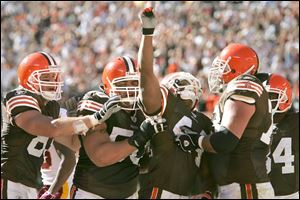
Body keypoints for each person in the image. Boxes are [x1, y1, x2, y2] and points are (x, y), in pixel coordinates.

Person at [0, 52, 124, 199]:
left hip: (29, 184)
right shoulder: (18, 97)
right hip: (7, 178)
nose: (52, 82)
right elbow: (51, 127)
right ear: (28, 79)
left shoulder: (52, 107)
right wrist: (94, 118)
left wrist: (87, 122)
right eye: (46, 77)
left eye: (54, 77)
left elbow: (73, 144)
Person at [175, 43, 276, 198]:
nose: (220, 72)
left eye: (224, 67)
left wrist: (196, 140)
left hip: (246, 188)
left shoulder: (245, 85)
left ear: (238, 68)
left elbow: (226, 140)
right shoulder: (236, 92)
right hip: (238, 186)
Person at [138, 7, 214, 198]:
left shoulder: (204, 122)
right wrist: (147, 33)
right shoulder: (168, 108)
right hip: (159, 190)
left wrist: (207, 190)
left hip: (182, 192)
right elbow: (146, 73)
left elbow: (208, 163)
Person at [68, 56, 167, 199]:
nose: (131, 89)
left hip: (128, 194)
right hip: (92, 193)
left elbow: (143, 164)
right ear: (107, 86)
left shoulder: (144, 111)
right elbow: (100, 157)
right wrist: (140, 137)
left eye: (134, 83)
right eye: (124, 83)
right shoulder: (99, 103)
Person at [257, 73, 299, 199]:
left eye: (270, 97)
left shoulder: (295, 122)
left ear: (284, 98)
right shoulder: (252, 123)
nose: (265, 102)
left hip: (291, 195)